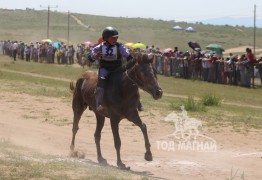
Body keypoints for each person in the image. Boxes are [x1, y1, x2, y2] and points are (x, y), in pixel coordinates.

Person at [89, 26, 134, 111]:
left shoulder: (120, 46)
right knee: (101, 84)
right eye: (113, 38)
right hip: (104, 69)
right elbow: (90, 58)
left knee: (130, 82)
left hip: (117, 69)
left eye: (116, 37)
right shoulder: (100, 47)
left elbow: (129, 57)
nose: (115, 39)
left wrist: (133, 63)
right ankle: (98, 103)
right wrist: (95, 56)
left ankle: (137, 103)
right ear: (106, 38)